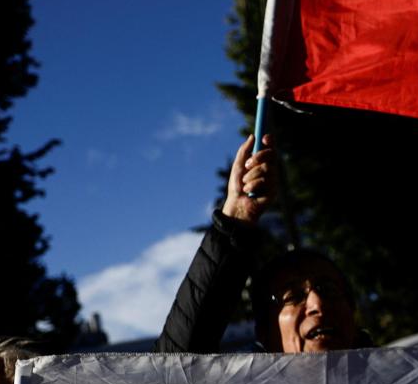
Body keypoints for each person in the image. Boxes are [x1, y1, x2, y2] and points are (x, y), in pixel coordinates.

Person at [155, 134, 364, 354]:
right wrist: (235, 220)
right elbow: (171, 372)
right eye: (292, 296)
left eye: (329, 290)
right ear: (264, 334)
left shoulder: (401, 377)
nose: (317, 304)